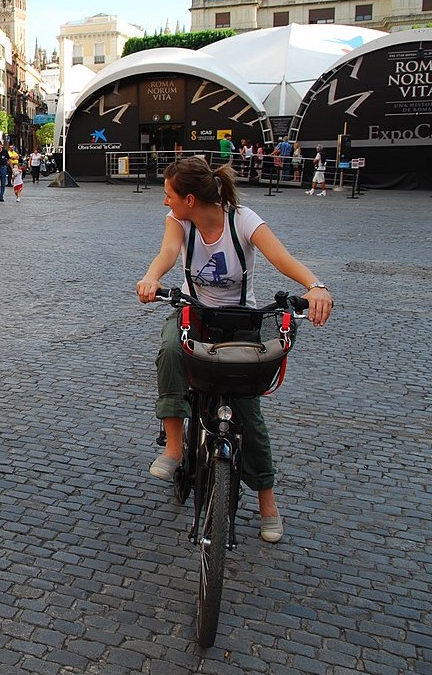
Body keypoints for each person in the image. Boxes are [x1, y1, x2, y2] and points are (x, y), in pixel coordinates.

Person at [135, 156, 333, 543]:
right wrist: (151, 276)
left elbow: (282, 258)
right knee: (170, 350)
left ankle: (267, 502)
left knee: (248, 413)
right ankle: (174, 448)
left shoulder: (242, 220)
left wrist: (317, 286)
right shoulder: (180, 222)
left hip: (242, 322)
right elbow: (168, 254)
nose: (165, 203)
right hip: (196, 314)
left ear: (190, 199)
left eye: (169, 196)